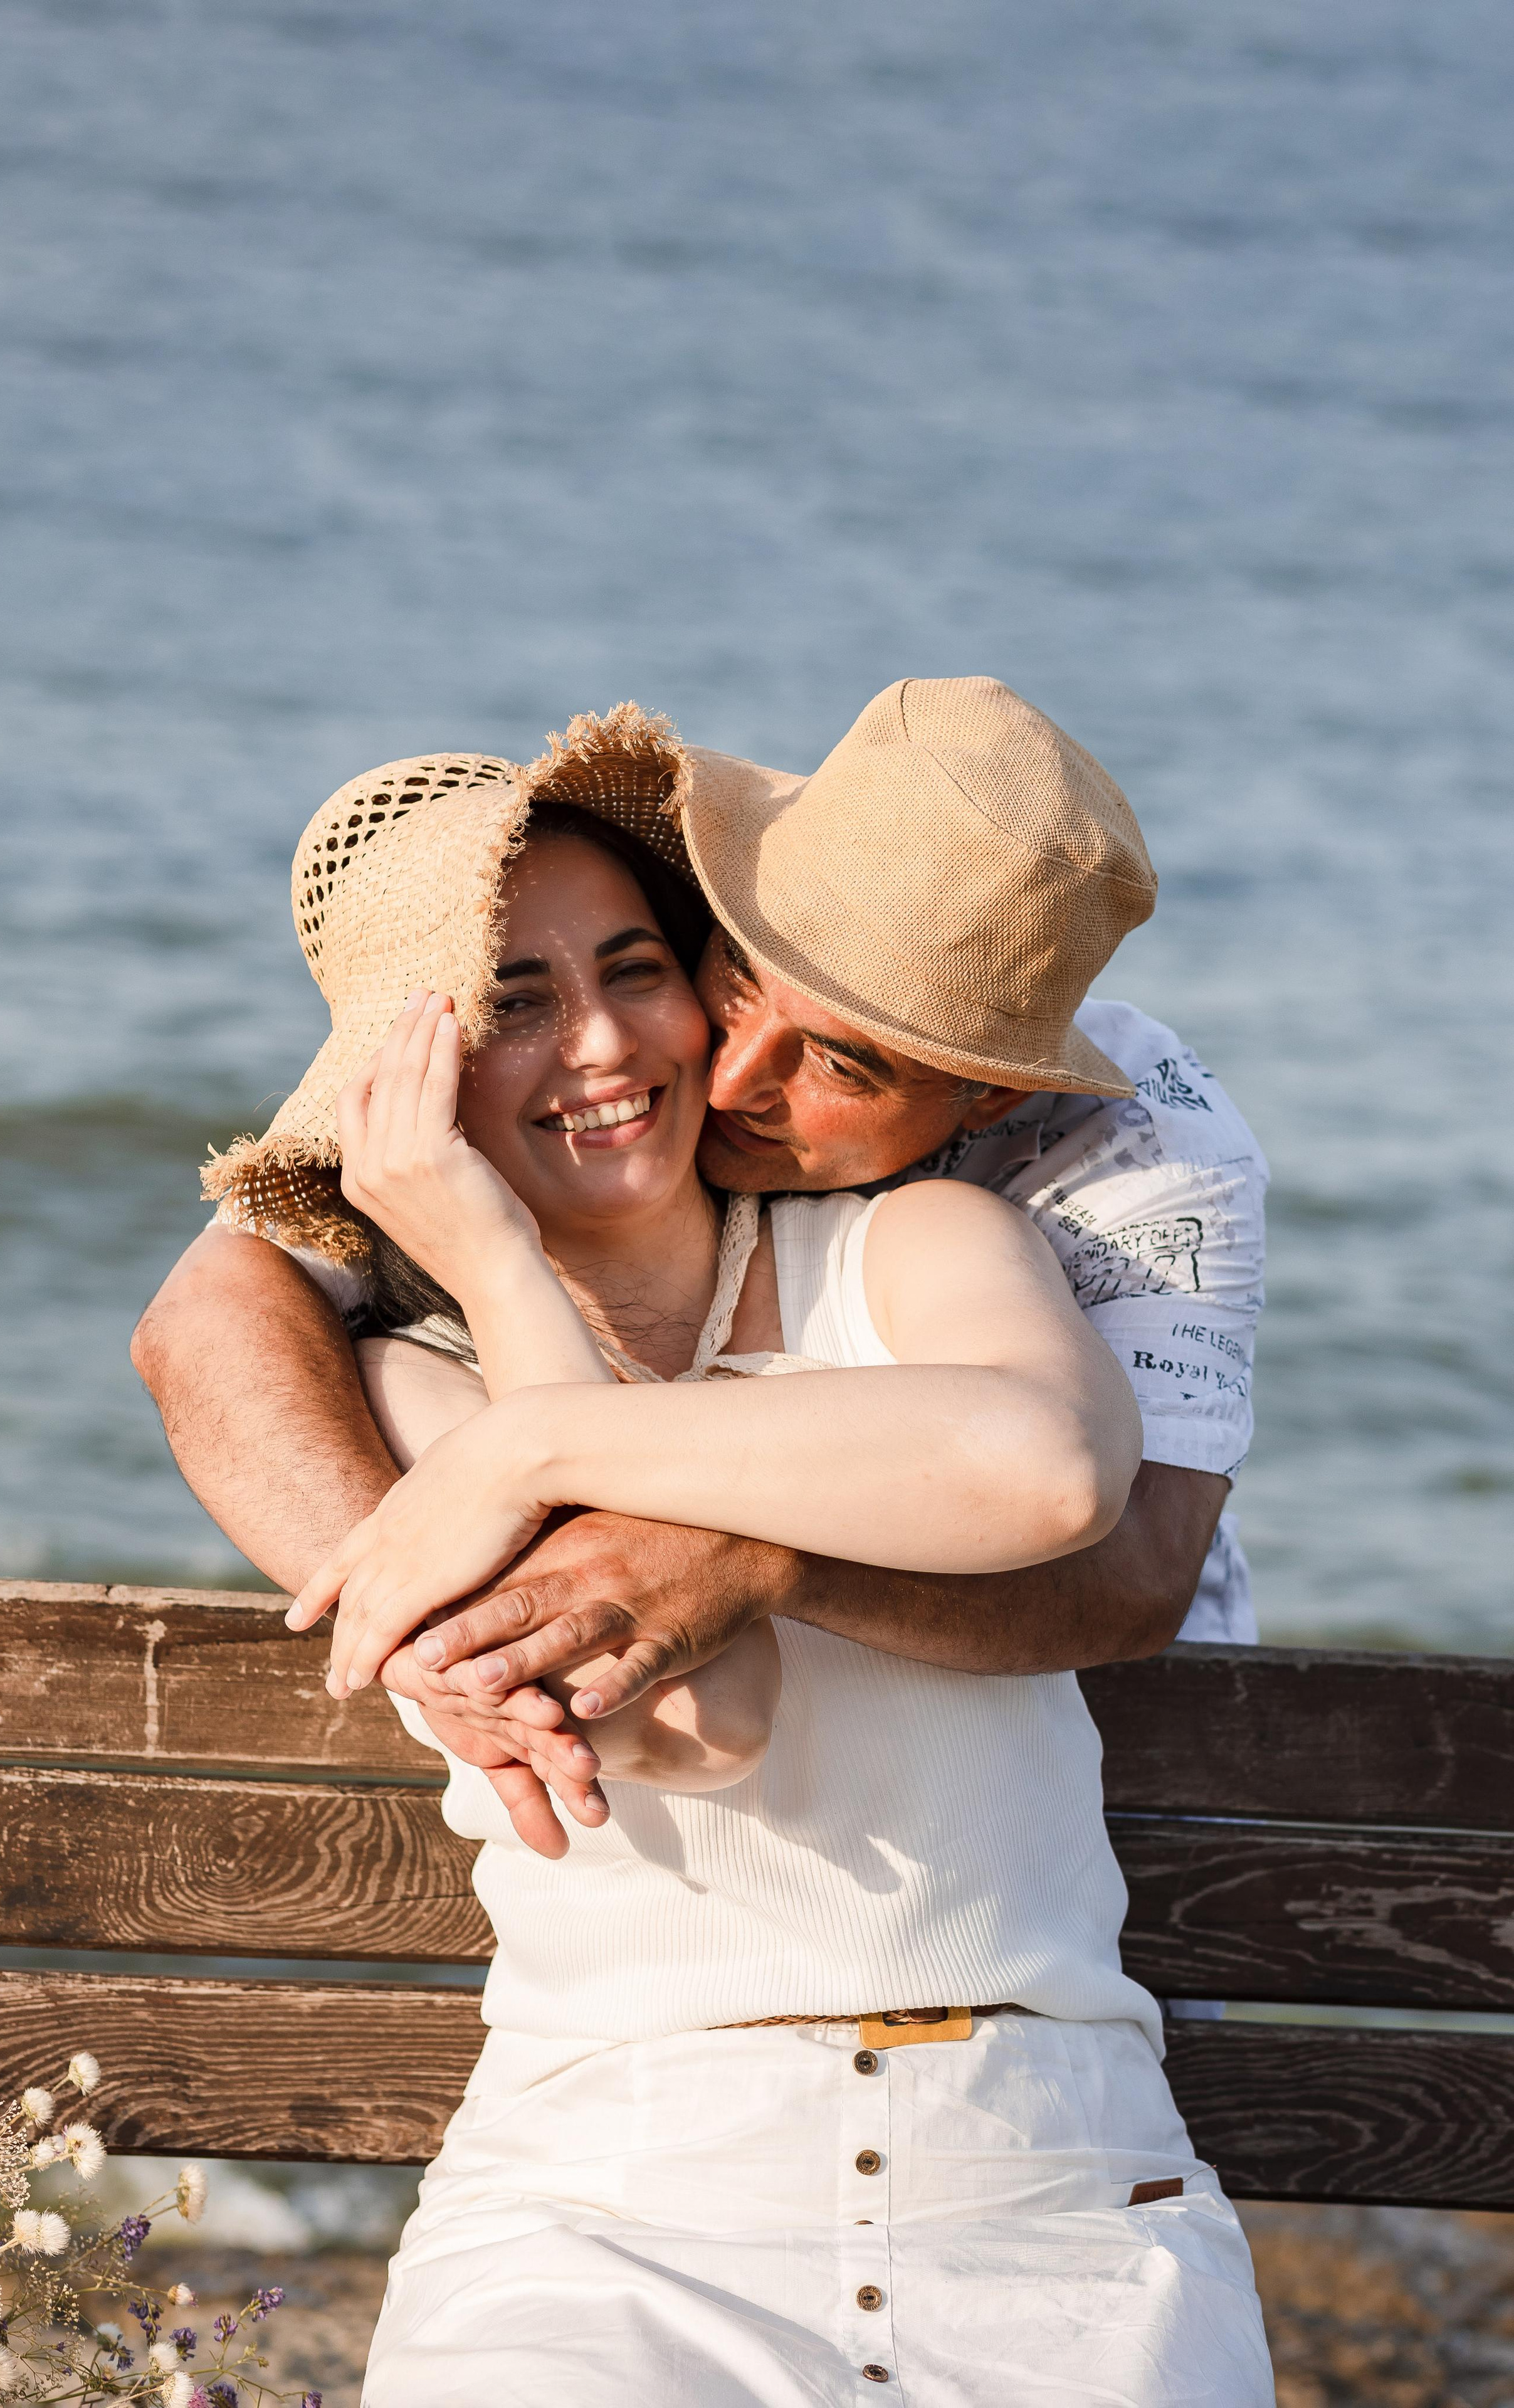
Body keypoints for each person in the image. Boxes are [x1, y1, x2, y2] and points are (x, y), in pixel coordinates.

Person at [144, 681, 1275, 2402]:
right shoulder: (407, 1389)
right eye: (515, 1002)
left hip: (1054, 2185)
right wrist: (510, 1290)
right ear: (414, 1074)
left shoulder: (927, 1240)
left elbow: (1057, 1480)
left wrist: (550, 1438)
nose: (619, 1052)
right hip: (612, 2201)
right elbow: (698, 1721)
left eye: (634, 970)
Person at [136, 680, 1267, 1857]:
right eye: (733, 983)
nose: (727, 1084)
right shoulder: (469, 1176)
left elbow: (1128, 1565)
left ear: (993, 1093)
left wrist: (697, 1531)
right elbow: (212, 1318)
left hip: (1130, 1777)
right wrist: (436, 1638)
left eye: (842, 1062)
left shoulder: (1131, 1145)